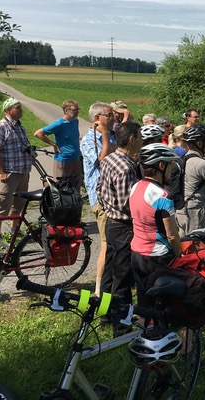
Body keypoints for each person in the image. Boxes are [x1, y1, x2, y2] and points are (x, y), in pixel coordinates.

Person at [130, 144, 182, 309]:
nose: (172, 168)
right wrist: (179, 254)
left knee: (144, 300)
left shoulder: (135, 187)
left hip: (137, 253)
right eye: (170, 164)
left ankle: (143, 329)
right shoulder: (163, 195)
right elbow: (172, 234)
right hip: (157, 256)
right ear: (161, 166)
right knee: (164, 303)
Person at [96, 122, 142, 306]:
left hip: (110, 223)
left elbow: (99, 190)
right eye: (140, 137)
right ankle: (121, 325)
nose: (142, 141)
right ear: (132, 140)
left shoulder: (109, 159)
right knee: (122, 278)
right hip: (123, 227)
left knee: (109, 273)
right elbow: (127, 204)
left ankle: (105, 313)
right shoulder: (126, 168)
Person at [80, 102, 116, 297]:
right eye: (109, 115)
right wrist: (103, 135)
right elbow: (102, 159)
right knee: (106, 243)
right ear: (97, 118)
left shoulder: (110, 137)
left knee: (113, 241)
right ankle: (99, 289)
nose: (113, 118)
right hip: (100, 197)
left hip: (114, 195)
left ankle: (112, 282)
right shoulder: (88, 139)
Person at [0, 97, 33, 245]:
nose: (21, 110)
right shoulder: (0, 126)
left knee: (19, 203)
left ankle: (14, 230)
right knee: (3, 202)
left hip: (22, 171)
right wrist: (1, 171)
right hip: (8, 172)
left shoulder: (19, 126)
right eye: (17, 108)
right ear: (8, 110)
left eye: (20, 107)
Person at [175, 124, 205, 236]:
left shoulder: (182, 159)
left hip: (181, 210)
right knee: (198, 248)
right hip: (195, 212)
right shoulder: (200, 163)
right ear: (199, 143)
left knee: (184, 248)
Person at [33, 99, 82, 191]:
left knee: (76, 187)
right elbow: (38, 134)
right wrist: (54, 144)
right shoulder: (59, 124)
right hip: (63, 160)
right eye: (74, 110)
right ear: (66, 111)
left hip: (75, 159)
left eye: (78, 110)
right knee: (61, 188)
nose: (77, 112)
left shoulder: (75, 121)